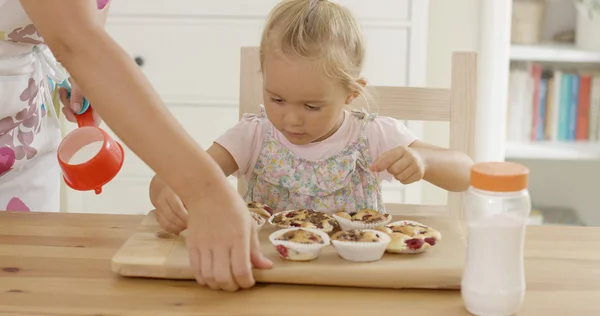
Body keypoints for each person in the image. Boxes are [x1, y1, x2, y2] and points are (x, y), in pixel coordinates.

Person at [151, 0, 474, 288]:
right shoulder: (253, 135)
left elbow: (466, 173)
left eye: (311, 106)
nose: (291, 119)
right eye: (276, 99)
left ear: (352, 93)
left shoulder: (372, 135)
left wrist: (425, 162)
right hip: (267, 277)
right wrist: (167, 191)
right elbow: (175, 176)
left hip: (356, 281)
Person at [0, 0, 271, 292]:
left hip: (25, 127)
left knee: (27, 281)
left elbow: (82, 23)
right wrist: (206, 192)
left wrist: (81, 67)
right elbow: (76, 39)